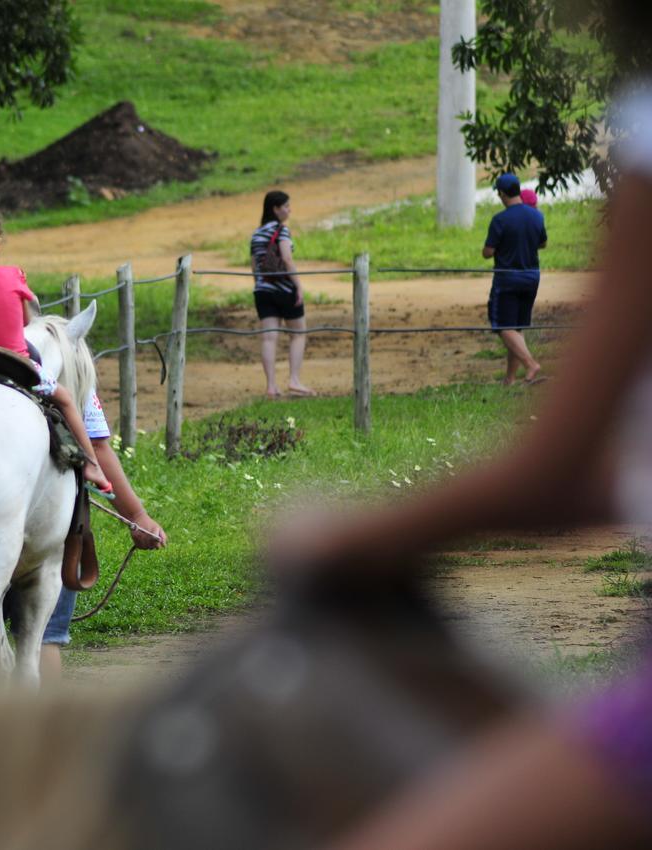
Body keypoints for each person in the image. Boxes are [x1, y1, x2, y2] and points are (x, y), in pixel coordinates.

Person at [269, 94, 652, 848]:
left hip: (506, 274)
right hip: (535, 270)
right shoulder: (535, 216)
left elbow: (551, 475)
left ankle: (529, 368)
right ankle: (525, 371)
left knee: (502, 325)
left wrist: (350, 538)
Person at [0, 202, 111, 493]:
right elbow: (25, 322)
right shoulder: (13, 276)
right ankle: (92, 464)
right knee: (66, 399)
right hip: (17, 364)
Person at [38, 413, 169, 682]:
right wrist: (137, 515)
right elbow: (96, 445)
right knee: (45, 637)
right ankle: (47, 722)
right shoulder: (66, 371)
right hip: (51, 520)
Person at [484, 173, 548, 386]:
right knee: (516, 328)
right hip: (532, 277)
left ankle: (531, 364)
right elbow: (542, 243)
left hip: (507, 279)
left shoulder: (500, 220)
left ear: (502, 193)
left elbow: (488, 251)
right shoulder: (536, 216)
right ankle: (509, 379)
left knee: (503, 326)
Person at [251, 190, 315, 399]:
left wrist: (262, 286)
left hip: (262, 290)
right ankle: (294, 380)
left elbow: (255, 267)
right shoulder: (282, 231)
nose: (289, 210)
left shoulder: (256, 234)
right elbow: (287, 259)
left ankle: (271, 386)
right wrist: (298, 285)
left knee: (269, 339)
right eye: (286, 206)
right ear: (275, 209)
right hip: (284, 289)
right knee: (298, 333)